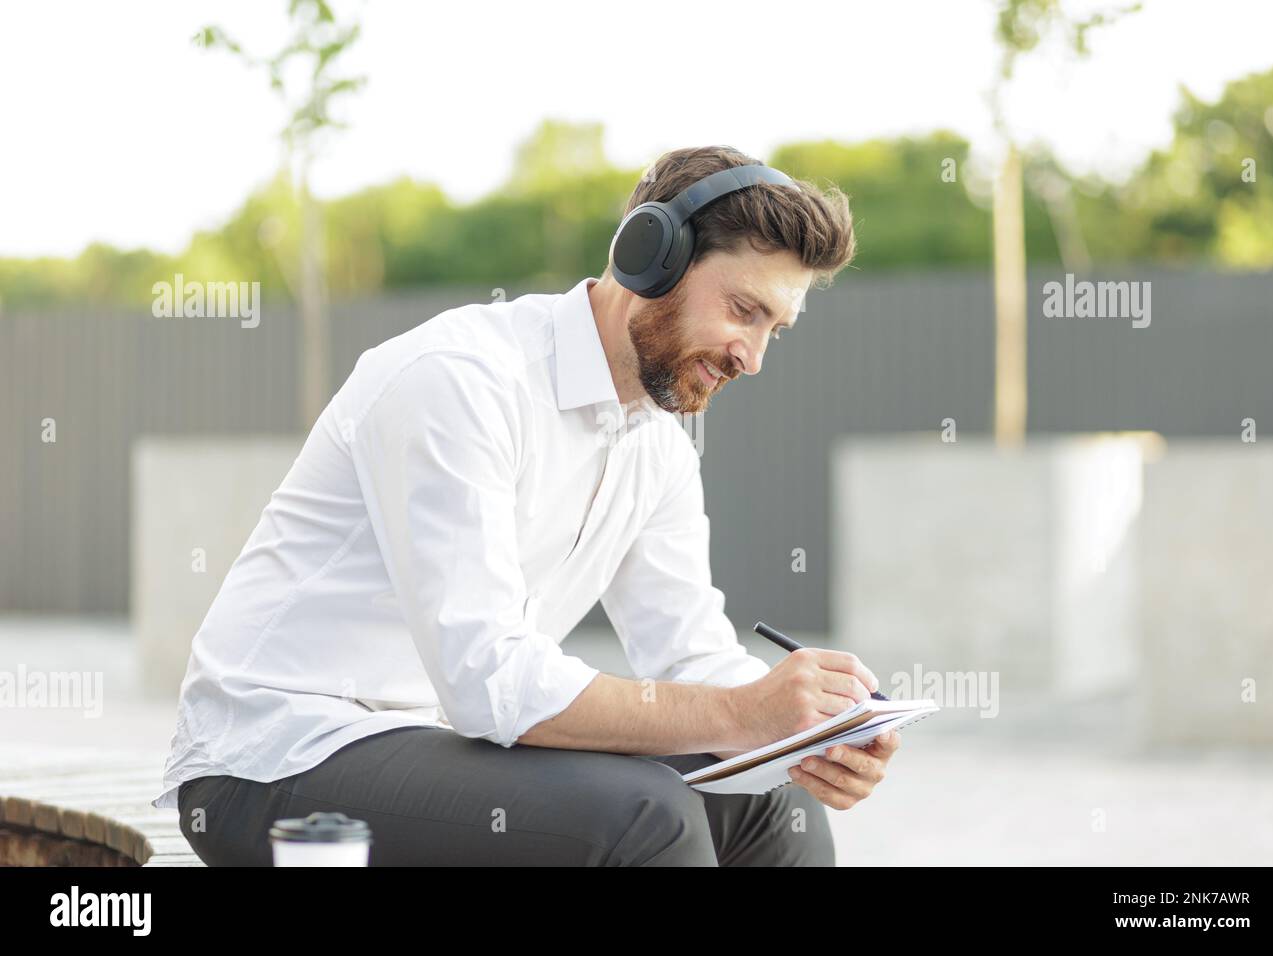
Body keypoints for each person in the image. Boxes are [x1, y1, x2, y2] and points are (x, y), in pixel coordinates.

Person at [154, 144, 900, 866]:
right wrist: (744, 716)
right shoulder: (461, 380)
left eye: (775, 328)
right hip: (270, 761)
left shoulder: (661, 446)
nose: (753, 355)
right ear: (652, 256)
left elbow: (688, 652)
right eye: (743, 309)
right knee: (647, 818)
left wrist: (808, 730)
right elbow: (489, 680)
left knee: (774, 803)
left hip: (437, 746)